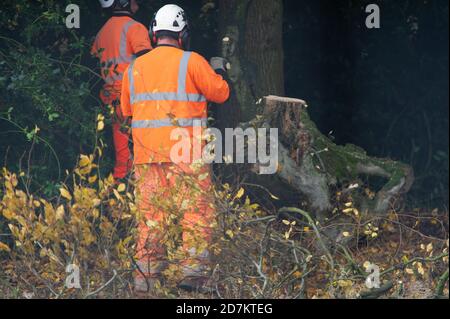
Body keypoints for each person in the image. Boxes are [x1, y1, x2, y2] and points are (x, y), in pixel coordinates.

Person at [120, 4, 230, 293]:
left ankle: (144, 281)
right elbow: (221, 93)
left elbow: (125, 109)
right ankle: (193, 277)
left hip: (146, 157)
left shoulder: (134, 68)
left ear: (153, 33)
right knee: (195, 212)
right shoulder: (192, 61)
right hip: (187, 155)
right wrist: (220, 69)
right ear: (183, 34)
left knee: (150, 219)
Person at [92, 0, 152, 181]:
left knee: (123, 155)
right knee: (147, 151)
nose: (137, 3)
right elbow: (149, 64)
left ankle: (117, 199)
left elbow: (95, 67)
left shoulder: (101, 33)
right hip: (134, 100)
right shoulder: (135, 28)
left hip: (112, 102)